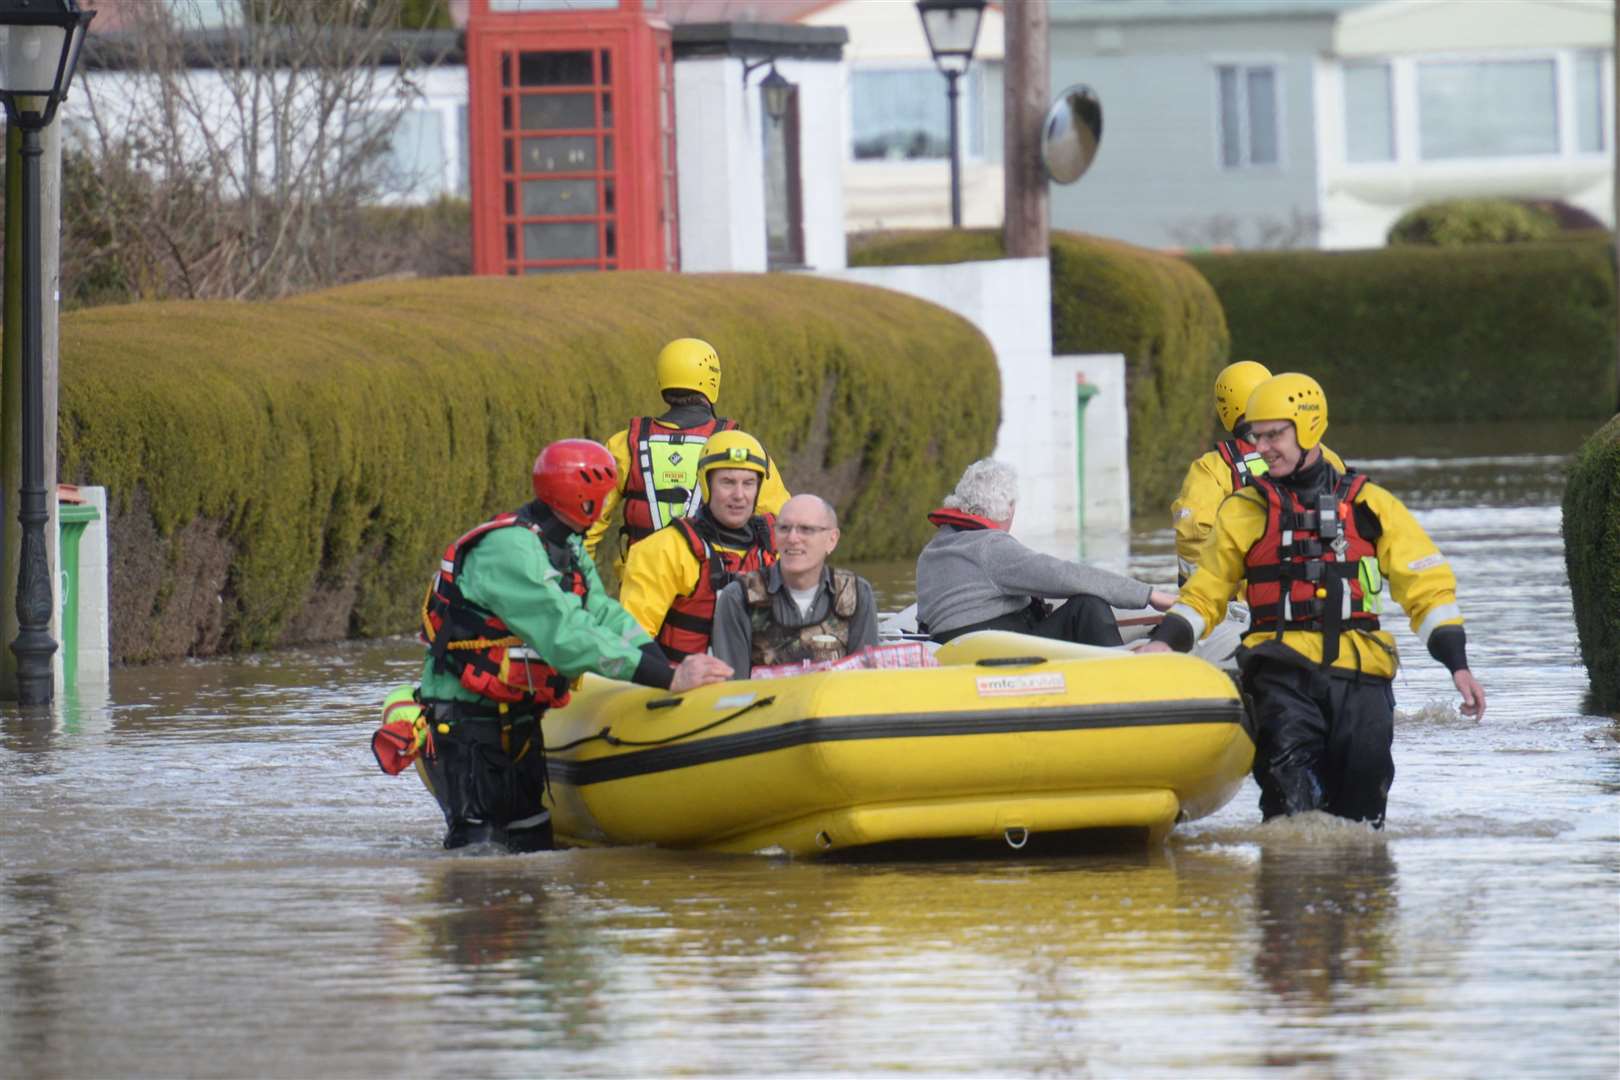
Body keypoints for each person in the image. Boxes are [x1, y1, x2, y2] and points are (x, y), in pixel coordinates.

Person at [1140, 373, 1486, 827]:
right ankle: (1288, 885)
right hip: (1282, 675)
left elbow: (1426, 588)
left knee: (1362, 821)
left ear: (1307, 430)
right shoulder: (1243, 511)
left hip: (1361, 679)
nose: (1262, 448)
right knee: (1289, 814)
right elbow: (1205, 593)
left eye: (1274, 436)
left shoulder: (1371, 505)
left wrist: (1457, 664)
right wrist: (1164, 642)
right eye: (1256, 437)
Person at [414, 438, 732, 852]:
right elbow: (566, 638)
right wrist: (666, 677)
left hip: (519, 720)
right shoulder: (509, 550)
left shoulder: (565, 543)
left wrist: (662, 668)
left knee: (531, 840)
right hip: (464, 721)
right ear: (588, 501)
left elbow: (603, 612)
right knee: (480, 847)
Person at [582, 337, 791, 574]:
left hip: (638, 590)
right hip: (714, 595)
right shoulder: (741, 447)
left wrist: (586, 592)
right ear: (714, 380)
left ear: (663, 380)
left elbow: (584, 527)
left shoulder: (624, 445)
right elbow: (781, 523)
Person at [916, 458, 1177, 645]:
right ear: (1008, 508)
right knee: (1088, 606)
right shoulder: (990, 547)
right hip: (998, 655)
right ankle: (1124, 682)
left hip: (954, 651)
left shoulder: (932, 550)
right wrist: (1149, 595)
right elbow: (1065, 575)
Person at [1170, 360, 1346, 585]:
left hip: (1252, 604)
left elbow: (1193, 533)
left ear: (1225, 407)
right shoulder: (1322, 455)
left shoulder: (1213, 467)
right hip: (1328, 593)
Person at [619, 429, 780, 662]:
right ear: (707, 484)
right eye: (727, 482)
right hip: (689, 687)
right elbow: (631, 638)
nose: (739, 495)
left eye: (748, 483)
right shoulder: (665, 549)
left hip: (764, 682)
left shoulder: (776, 544)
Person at [710, 493, 880, 678]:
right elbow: (733, 687)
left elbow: (865, 680)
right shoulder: (737, 597)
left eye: (806, 529)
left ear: (832, 539)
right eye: (784, 528)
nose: (792, 538)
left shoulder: (857, 592)